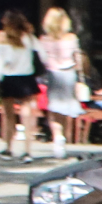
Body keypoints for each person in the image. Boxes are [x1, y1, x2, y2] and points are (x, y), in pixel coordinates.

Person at [0, 10, 39, 158]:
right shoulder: (28, 37)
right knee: (27, 114)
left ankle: (8, 147)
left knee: (8, 114)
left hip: (9, 77)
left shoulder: (0, 37)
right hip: (26, 77)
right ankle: (28, 150)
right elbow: (41, 53)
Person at [36, 8, 83, 158]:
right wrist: (81, 76)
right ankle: (62, 134)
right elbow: (78, 58)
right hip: (69, 73)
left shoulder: (44, 39)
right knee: (65, 106)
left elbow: (43, 59)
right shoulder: (71, 38)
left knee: (53, 107)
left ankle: (57, 136)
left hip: (53, 73)